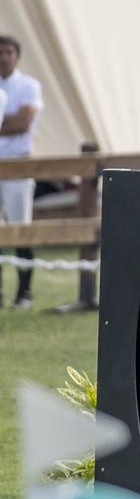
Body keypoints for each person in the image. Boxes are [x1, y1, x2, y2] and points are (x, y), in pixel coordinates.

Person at [0, 35, 42, 309]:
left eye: (9, 52)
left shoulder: (28, 85)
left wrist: (9, 121)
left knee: (20, 227)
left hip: (18, 160)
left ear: (17, 55)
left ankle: (24, 291)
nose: (4, 57)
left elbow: (23, 122)